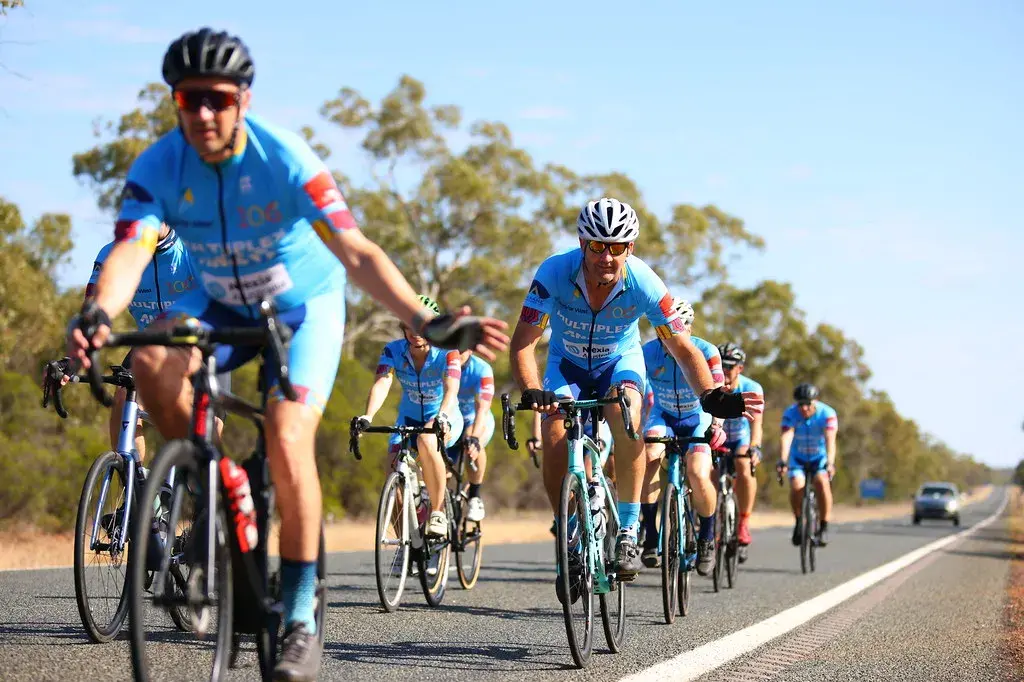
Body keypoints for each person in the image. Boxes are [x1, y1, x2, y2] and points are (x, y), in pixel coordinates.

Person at [65, 27, 508, 682]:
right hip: (217, 302)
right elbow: (131, 250)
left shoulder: (286, 159)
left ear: (242, 98)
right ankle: (212, 481)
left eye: (218, 98)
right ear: (177, 102)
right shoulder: (158, 167)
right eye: (191, 100)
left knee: (288, 435)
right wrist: (99, 312)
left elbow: (357, 254)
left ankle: (300, 615)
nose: (205, 114)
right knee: (151, 363)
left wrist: (427, 320)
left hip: (302, 307)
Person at [508, 196, 763, 603]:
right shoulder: (553, 273)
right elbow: (523, 344)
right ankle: (568, 535)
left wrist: (711, 396)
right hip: (566, 366)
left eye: (617, 247)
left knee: (625, 410)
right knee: (553, 431)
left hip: (619, 363)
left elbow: (682, 347)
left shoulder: (644, 282)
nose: (606, 257)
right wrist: (532, 390)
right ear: (581, 242)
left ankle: (627, 530)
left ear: (631, 248)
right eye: (596, 246)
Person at [357, 295, 464, 538]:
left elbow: (452, 387)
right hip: (407, 419)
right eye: (410, 324)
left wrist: (443, 417)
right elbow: (382, 383)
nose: (416, 332)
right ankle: (409, 543)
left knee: (427, 441)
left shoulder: (448, 351)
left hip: (443, 414)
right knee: (392, 478)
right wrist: (368, 415)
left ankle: (437, 512)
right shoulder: (392, 350)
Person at [639, 299, 726, 575]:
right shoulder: (647, 352)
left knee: (699, 474)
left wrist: (717, 425)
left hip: (696, 417)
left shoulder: (707, 351)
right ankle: (650, 534)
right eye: (661, 329)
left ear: (688, 328)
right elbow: (634, 390)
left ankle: (706, 537)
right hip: (662, 416)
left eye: (676, 328)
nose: (669, 336)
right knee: (649, 455)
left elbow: (718, 395)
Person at [717, 342, 763, 563]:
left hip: (740, 440)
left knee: (744, 466)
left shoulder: (751, 388)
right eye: (721, 365)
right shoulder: (709, 384)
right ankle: (708, 524)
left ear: (740, 368)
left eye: (730, 366)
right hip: (716, 437)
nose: (725, 370)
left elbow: (757, 426)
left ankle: (743, 522)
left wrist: (755, 447)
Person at [778, 383, 838, 547]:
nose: (804, 408)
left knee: (821, 482)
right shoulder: (790, 413)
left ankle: (824, 526)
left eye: (808, 404)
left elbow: (830, 440)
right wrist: (783, 459)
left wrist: (830, 463)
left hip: (819, 459)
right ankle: (798, 521)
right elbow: (786, 437)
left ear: (815, 401)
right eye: (801, 404)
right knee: (797, 485)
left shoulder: (827, 414)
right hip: (798, 458)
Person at [450, 347, 496, 522]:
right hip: (452, 421)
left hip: (476, 419)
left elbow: (482, 409)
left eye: (461, 350)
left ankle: (475, 496)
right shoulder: (441, 364)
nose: (457, 354)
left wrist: (475, 437)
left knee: (471, 444)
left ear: (469, 350)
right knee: (442, 470)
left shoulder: (481, 369)